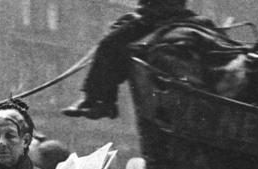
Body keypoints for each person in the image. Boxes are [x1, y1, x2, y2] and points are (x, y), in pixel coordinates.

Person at [62, 0, 203, 119]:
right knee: (115, 42)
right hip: (162, 11)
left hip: (160, 13)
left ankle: (100, 101)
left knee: (110, 43)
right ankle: (97, 100)